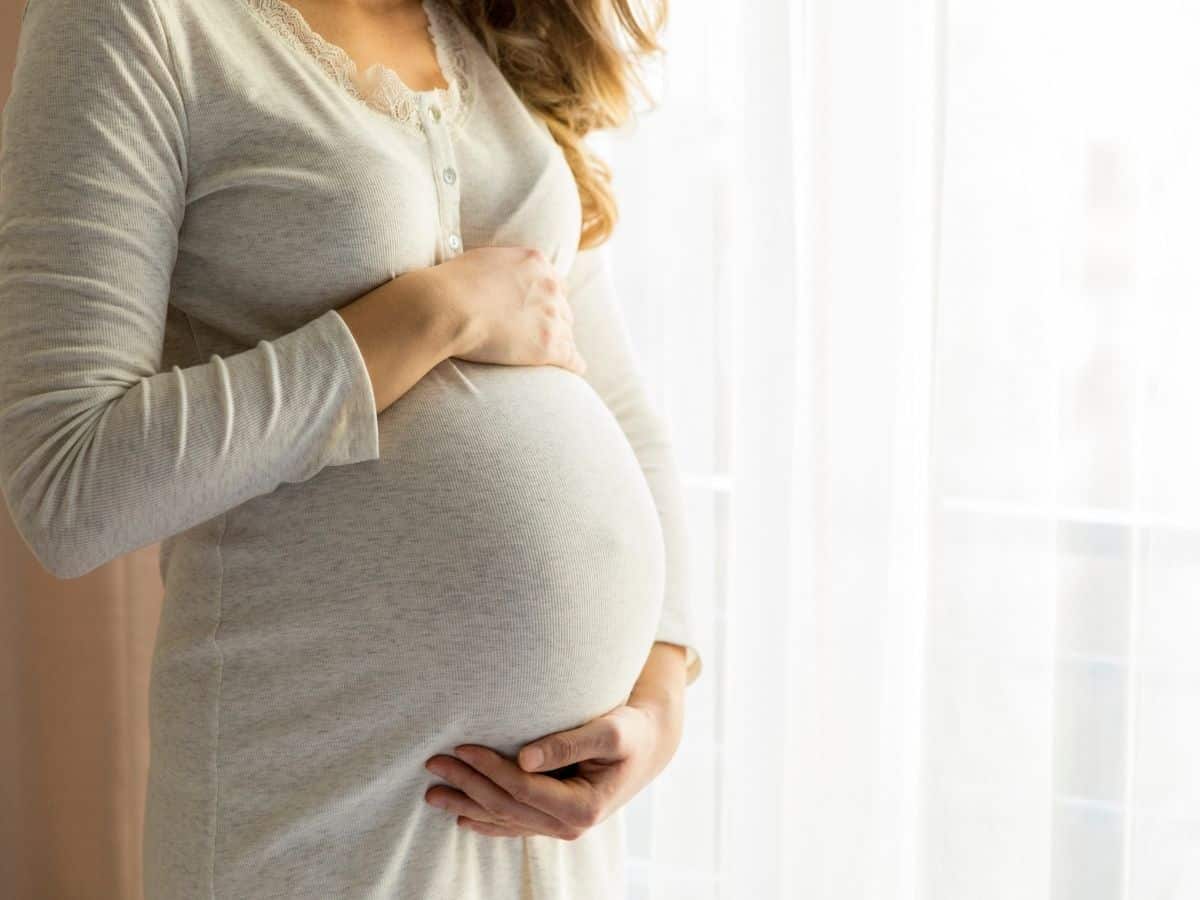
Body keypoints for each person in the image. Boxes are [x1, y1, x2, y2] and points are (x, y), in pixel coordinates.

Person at [0, 0, 703, 896]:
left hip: (549, 834)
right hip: (318, 812)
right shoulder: (140, 22)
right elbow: (68, 482)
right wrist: (429, 317)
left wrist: (658, 705)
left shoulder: (487, 27)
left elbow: (619, 405)